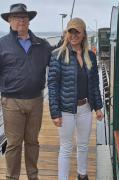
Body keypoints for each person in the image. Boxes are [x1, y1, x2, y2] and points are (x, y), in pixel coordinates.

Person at [48, 17, 104, 180]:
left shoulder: (91, 56)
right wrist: (55, 113)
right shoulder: (57, 55)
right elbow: (52, 85)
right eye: (70, 31)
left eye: (77, 32)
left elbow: (94, 84)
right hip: (65, 110)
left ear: (84, 34)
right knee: (66, 148)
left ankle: (82, 175)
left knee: (84, 146)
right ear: (66, 34)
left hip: (85, 108)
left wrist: (98, 108)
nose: (73, 35)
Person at [0, 3, 51, 180]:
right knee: (14, 144)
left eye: (24, 17)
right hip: (11, 102)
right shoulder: (2, 44)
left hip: (36, 101)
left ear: (29, 21)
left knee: (32, 142)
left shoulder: (42, 44)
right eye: (16, 18)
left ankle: (33, 176)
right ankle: (11, 177)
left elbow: (58, 63)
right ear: (10, 21)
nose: (20, 21)